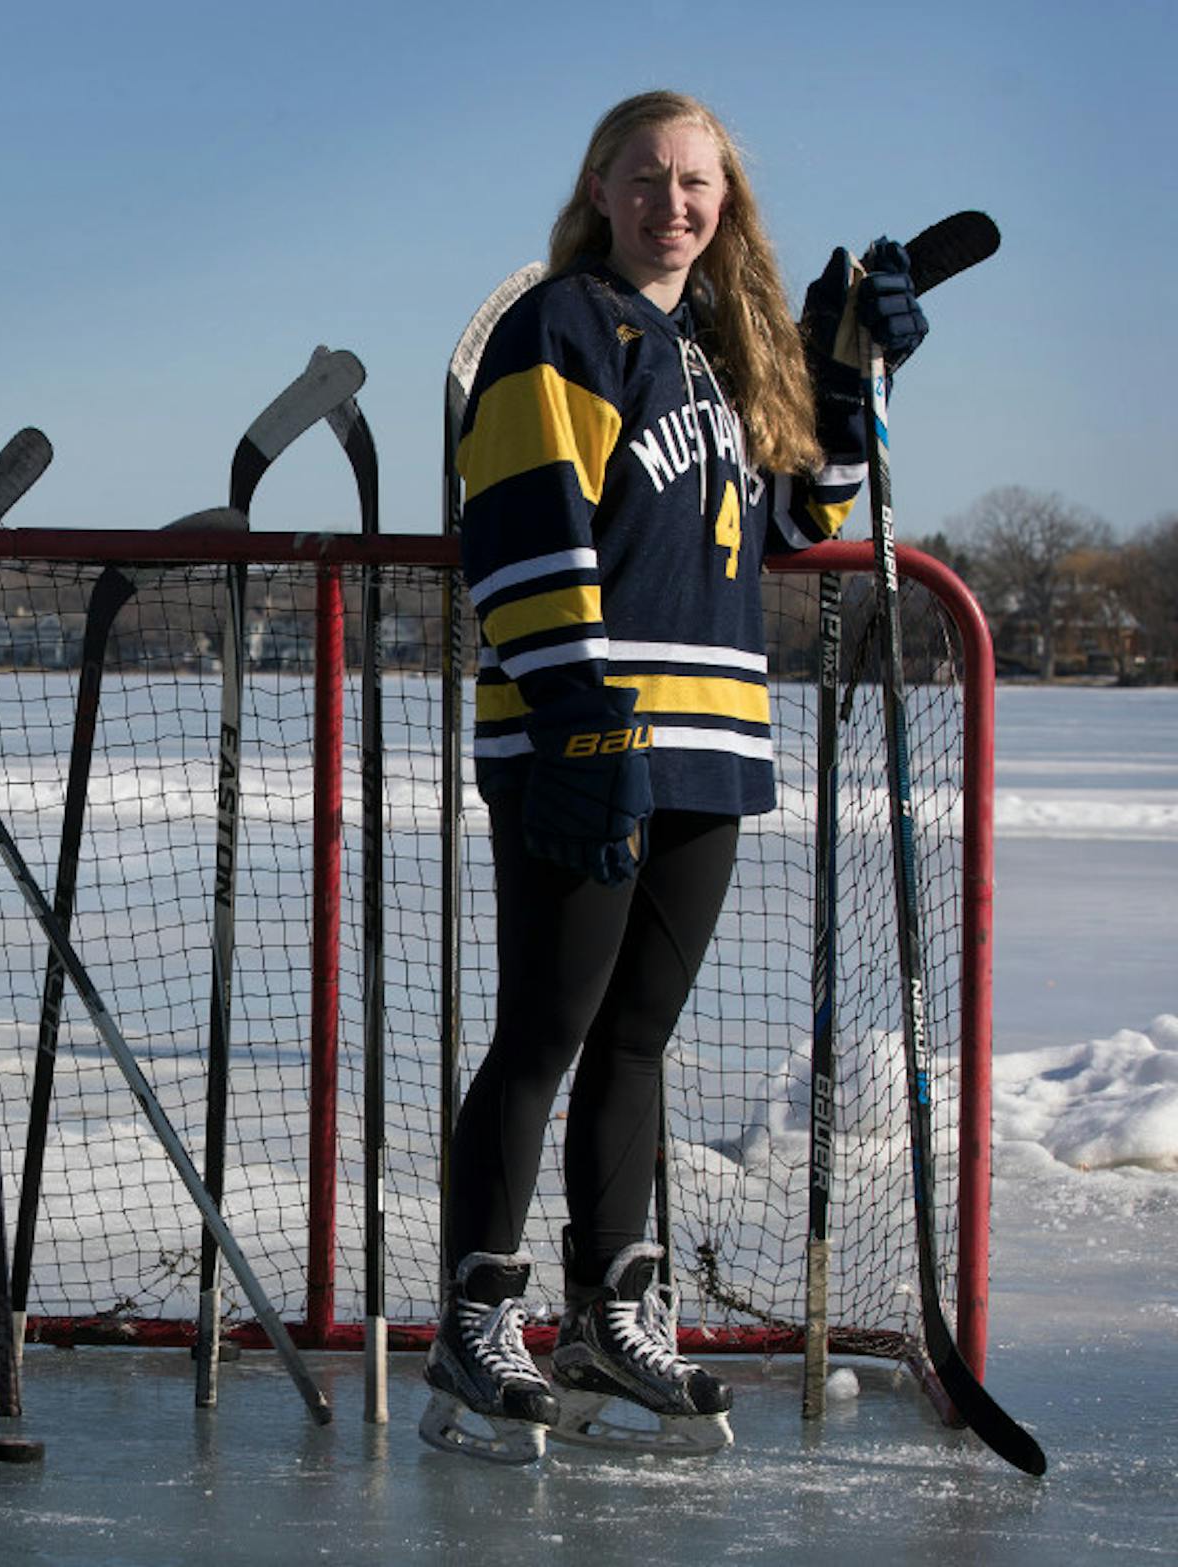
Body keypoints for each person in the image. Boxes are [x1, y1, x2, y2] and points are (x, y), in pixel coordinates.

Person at [421, 90, 930, 1463]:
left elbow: (795, 520)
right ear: (598, 187)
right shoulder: (560, 327)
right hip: (588, 739)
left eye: (697, 182)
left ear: (727, 201)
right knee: (546, 1030)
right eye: (646, 177)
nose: (673, 204)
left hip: (710, 742)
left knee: (637, 1038)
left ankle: (607, 1315)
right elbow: (520, 520)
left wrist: (846, 384)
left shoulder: (712, 352)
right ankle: (474, 1321)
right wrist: (579, 715)